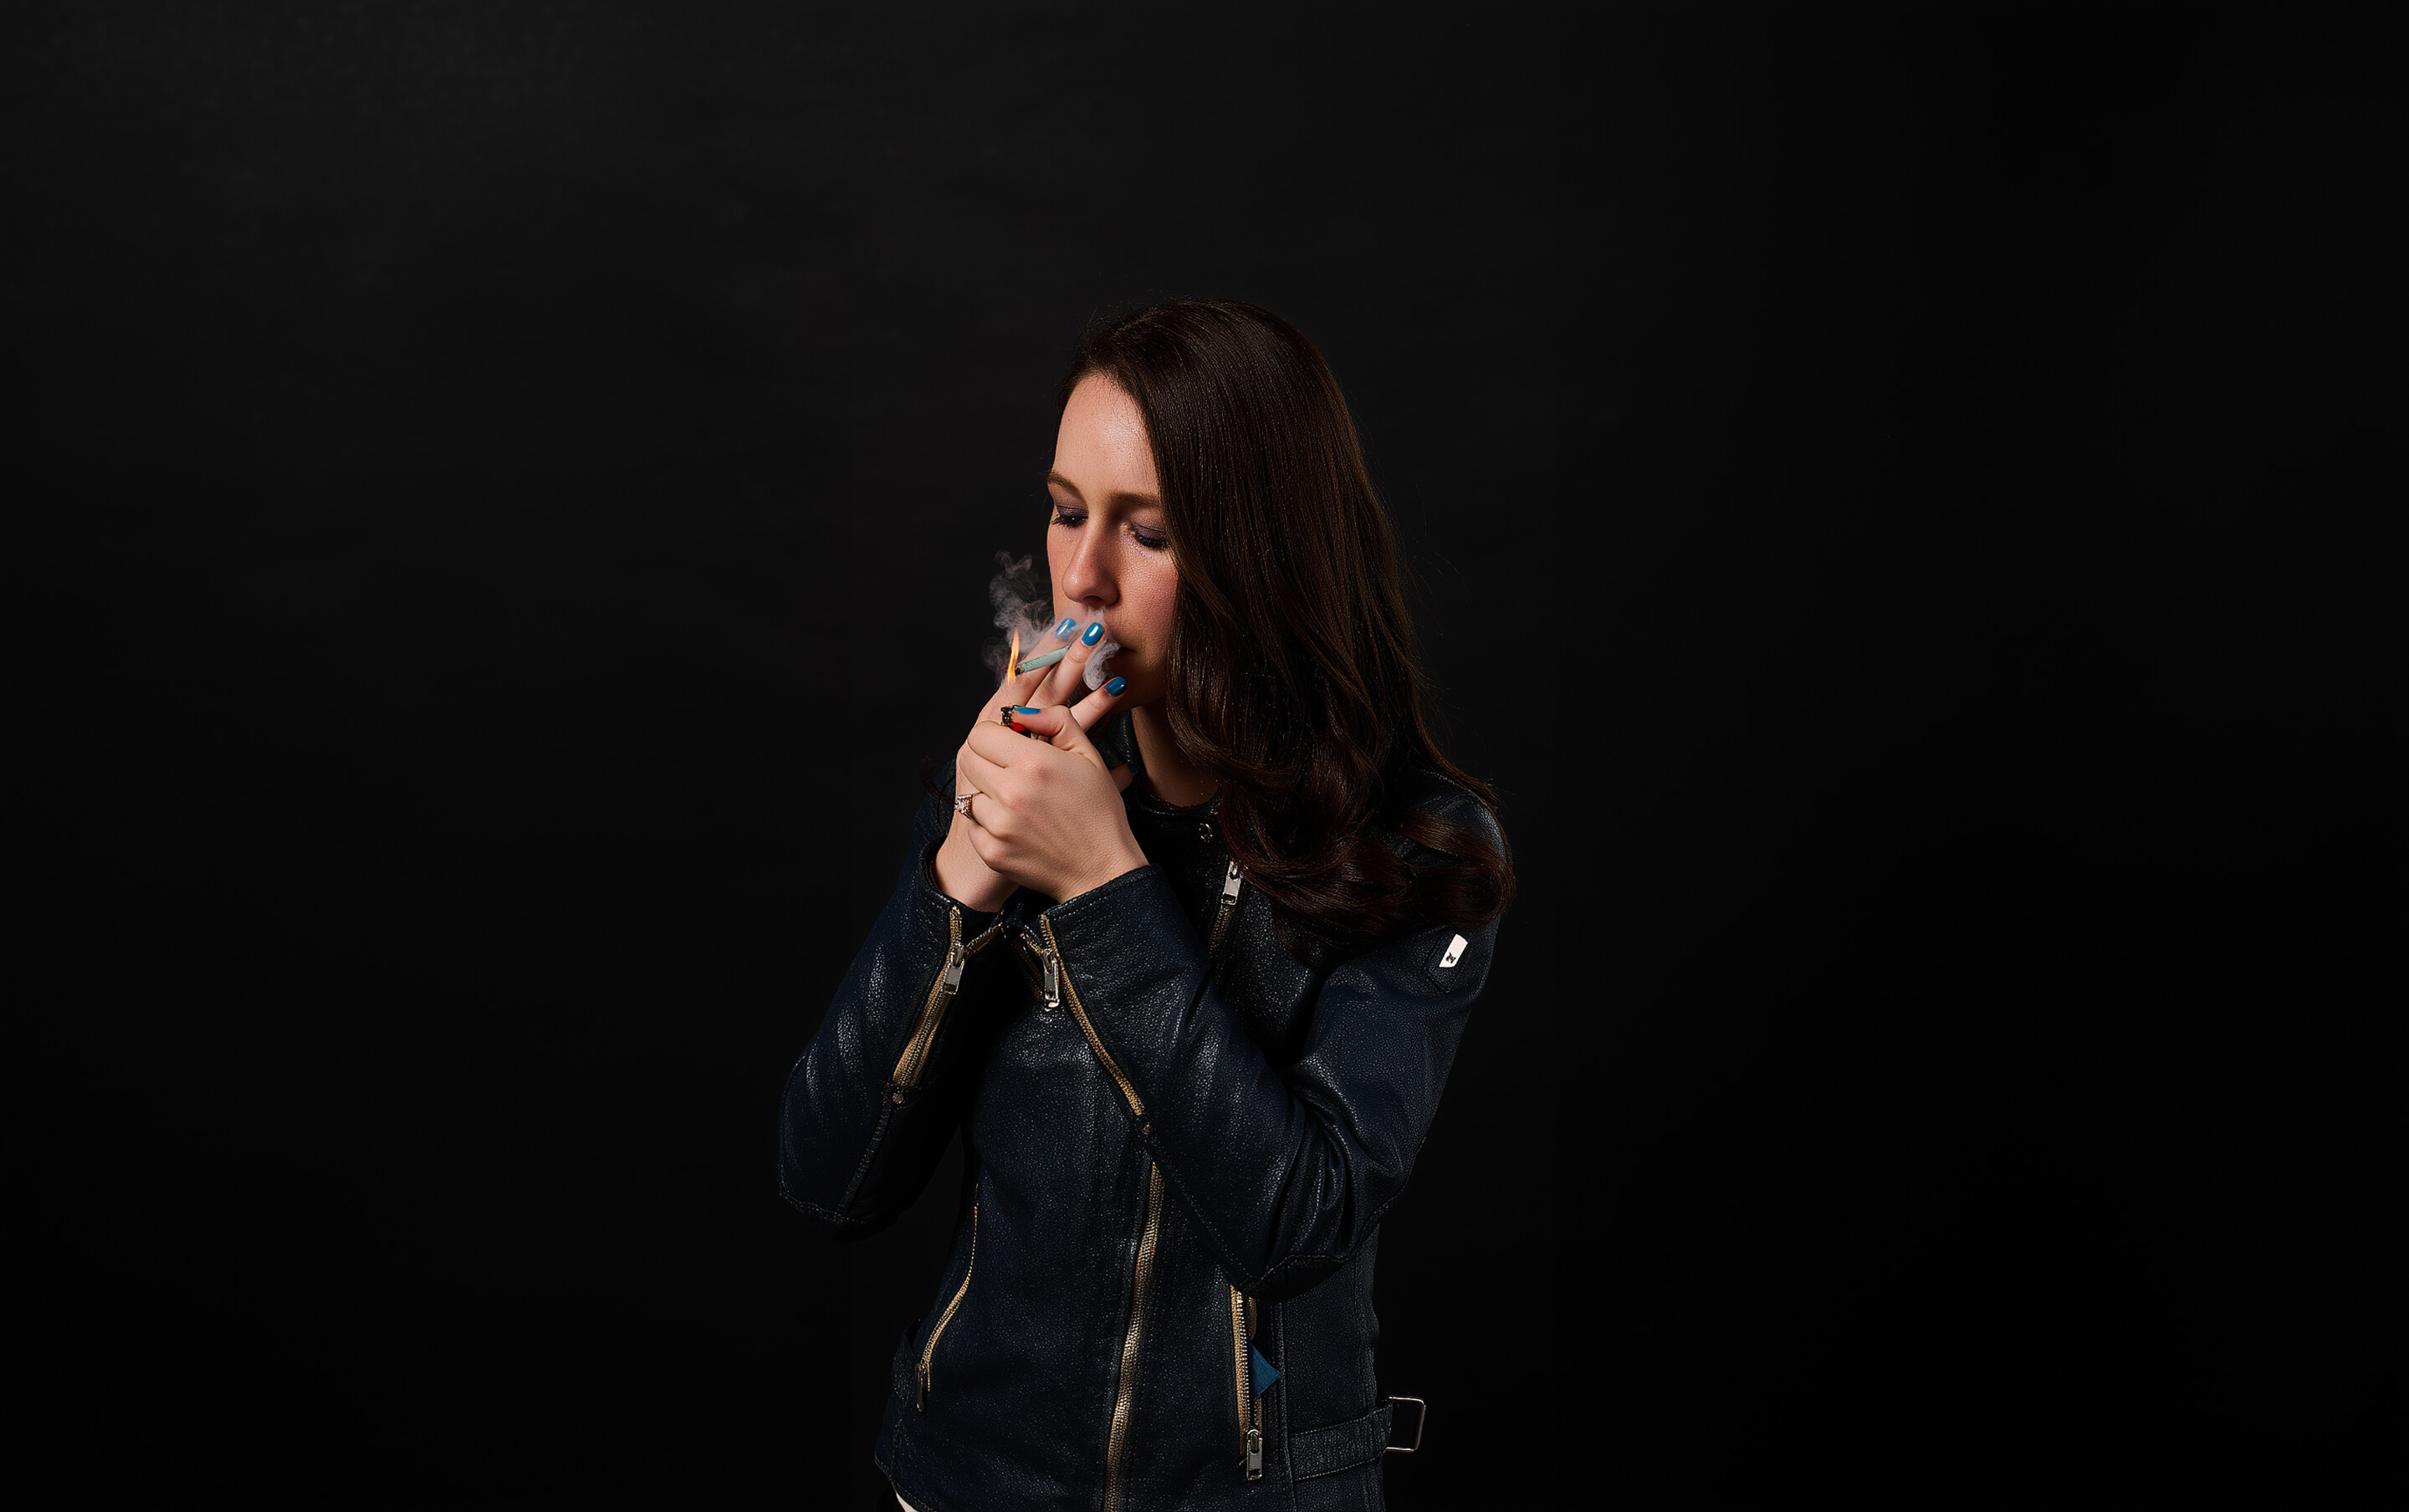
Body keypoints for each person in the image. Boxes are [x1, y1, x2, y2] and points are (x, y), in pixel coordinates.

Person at [778, 300, 1512, 1512]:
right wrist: (964, 873)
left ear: (1264, 555)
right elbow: (827, 1178)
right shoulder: (1014, 785)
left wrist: (1105, 886)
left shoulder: (1417, 852)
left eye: (1151, 532)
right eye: (1068, 511)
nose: (1080, 576)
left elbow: (1295, 1219)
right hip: (968, 1481)